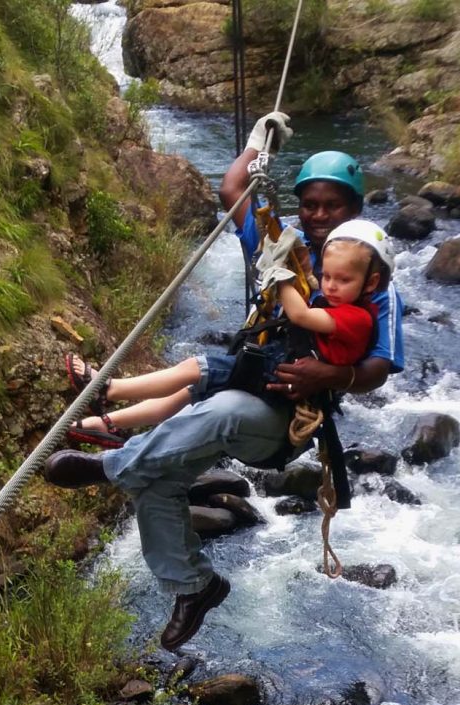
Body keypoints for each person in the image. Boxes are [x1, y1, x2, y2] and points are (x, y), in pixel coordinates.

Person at [44, 112, 405, 652]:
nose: (321, 215)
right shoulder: (281, 244)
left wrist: (334, 372)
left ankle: (109, 463)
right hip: (243, 378)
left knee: (223, 412)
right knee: (158, 483)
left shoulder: (373, 281)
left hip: (285, 417)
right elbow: (234, 189)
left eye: (334, 205)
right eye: (311, 203)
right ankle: (194, 586)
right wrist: (259, 146)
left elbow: (377, 368)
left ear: (356, 209)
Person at [63, 219, 394, 449]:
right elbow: (311, 298)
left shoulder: (357, 319)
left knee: (193, 368)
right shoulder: (344, 304)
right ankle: (110, 424)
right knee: (189, 391)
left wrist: (280, 276)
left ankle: (108, 389)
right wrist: (299, 270)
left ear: (371, 283)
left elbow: (300, 313)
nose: (332, 286)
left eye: (344, 280)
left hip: (278, 376)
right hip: (281, 373)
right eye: (329, 277)